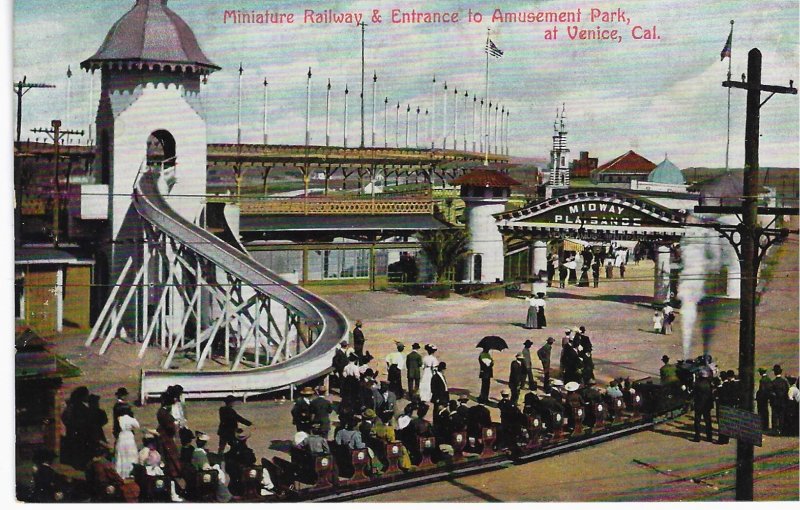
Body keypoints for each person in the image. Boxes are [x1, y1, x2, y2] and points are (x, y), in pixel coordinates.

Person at [156, 392, 181, 478]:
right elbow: (170, 427)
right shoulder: (164, 413)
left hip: (164, 435)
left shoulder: (162, 411)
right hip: (166, 436)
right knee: (170, 455)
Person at [225, 429, 257, 496]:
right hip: (244, 469)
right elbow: (253, 460)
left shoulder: (235, 449)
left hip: (241, 470)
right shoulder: (246, 449)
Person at [114, 408, 140, 479]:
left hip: (122, 436)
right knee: (130, 455)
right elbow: (137, 426)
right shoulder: (131, 419)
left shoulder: (119, 418)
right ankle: (130, 473)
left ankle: (121, 474)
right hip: (129, 437)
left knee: (122, 455)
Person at [715, 370, 740, 444]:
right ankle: (726, 438)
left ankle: (722, 439)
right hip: (731, 405)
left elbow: (720, 397)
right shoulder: (733, 384)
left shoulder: (723, 386)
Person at [692, 369, 714, 443]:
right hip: (707, 405)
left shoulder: (697, 384)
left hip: (698, 404)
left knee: (697, 421)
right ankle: (709, 437)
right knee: (708, 421)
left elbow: (693, 393)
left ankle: (697, 437)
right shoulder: (710, 384)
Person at [771, 365, 789, 435]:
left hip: (775, 403)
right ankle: (781, 430)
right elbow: (787, 391)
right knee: (782, 416)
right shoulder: (784, 382)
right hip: (783, 402)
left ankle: (775, 430)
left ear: (774, 373)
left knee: (775, 417)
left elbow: (771, 393)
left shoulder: (773, 382)